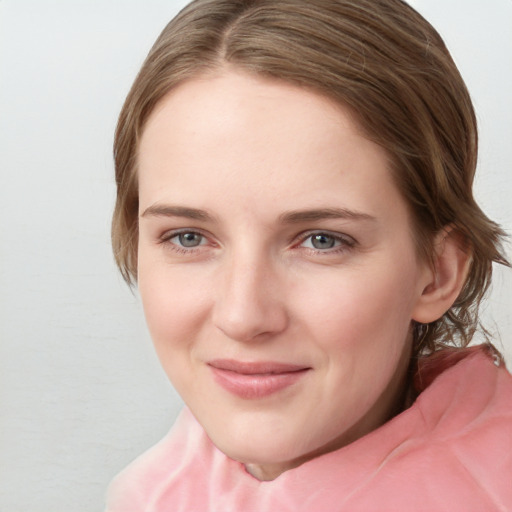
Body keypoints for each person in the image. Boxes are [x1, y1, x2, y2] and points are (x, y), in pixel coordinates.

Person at [105, 0, 512, 510]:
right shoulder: (147, 494)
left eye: (322, 240)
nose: (243, 316)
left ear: (438, 273)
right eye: (188, 237)